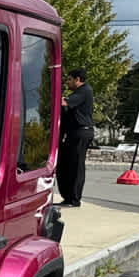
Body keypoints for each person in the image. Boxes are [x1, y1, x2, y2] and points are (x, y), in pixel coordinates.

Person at [57, 67, 94, 207]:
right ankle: (67, 196)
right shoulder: (78, 93)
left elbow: (64, 103)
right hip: (72, 133)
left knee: (76, 165)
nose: (67, 82)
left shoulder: (84, 90)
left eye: (69, 79)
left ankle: (74, 199)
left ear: (77, 79)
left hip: (81, 132)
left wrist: (59, 98)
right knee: (64, 164)